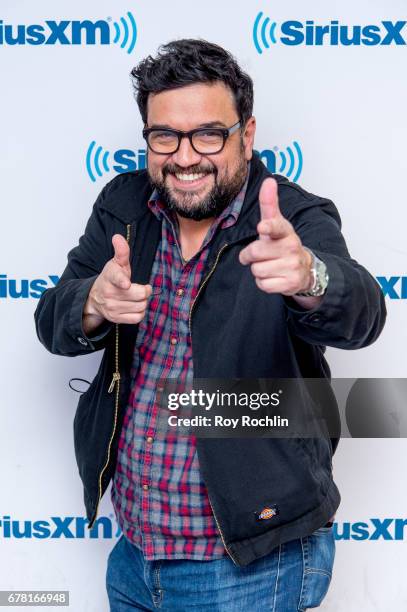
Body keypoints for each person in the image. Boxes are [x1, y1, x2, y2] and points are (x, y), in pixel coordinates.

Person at [34, 38, 386, 611]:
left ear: (247, 135)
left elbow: (363, 314)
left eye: (208, 134)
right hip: (135, 552)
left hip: (251, 562)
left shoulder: (295, 218)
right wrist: (92, 302)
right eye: (164, 135)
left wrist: (309, 277)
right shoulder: (123, 204)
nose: (185, 156)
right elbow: (52, 320)